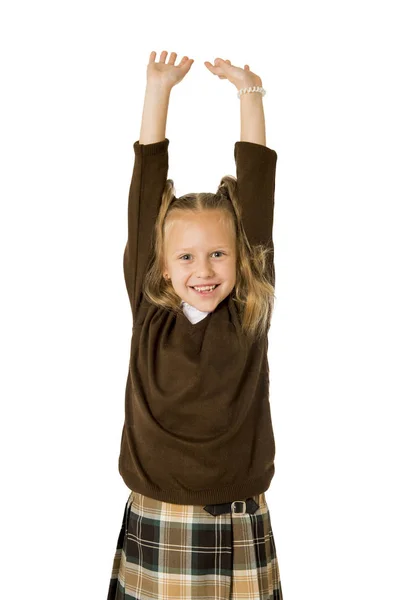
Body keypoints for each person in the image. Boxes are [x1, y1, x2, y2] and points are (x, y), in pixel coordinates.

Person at [107, 50, 283, 600]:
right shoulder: (150, 310)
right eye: (185, 258)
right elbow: (143, 194)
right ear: (161, 264)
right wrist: (157, 92)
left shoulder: (246, 312)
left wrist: (249, 94)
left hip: (237, 514)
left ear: (242, 258)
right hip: (158, 513)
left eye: (218, 255)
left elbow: (256, 194)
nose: (203, 271)